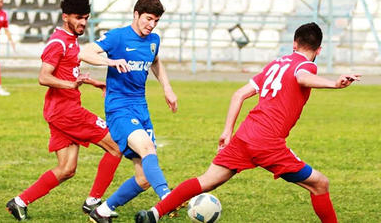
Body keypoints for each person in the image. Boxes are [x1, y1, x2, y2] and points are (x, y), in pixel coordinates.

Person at [135, 22, 361, 223]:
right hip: (267, 142)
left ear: (294, 43)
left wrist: (227, 131)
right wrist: (334, 83)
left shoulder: (276, 64)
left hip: (245, 135)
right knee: (320, 184)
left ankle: (154, 213)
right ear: (319, 49)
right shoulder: (307, 65)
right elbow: (302, 76)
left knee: (207, 180)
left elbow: (239, 94)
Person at [6, 0, 122, 221]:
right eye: (78, 17)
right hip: (67, 112)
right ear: (65, 17)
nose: (83, 22)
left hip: (57, 111)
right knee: (116, 146)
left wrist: (91, 82)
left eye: (86, 17)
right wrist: (71, 85)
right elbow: (44, 77)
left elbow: (71, 72)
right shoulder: (58, 42)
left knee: (67, 169)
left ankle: (18, 202)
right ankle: (94, 203)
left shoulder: (72, 40)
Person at [79, 0, 178, 223]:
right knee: (147, 149)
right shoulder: (118, 37)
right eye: (147, 19)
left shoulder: (154, 40)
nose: (151, 25)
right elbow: (85, 53)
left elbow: (155, 61)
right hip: (118, 109)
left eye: (156, 21)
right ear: (136, 15)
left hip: (141, 108)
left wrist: (167, 88)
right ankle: (167, 197)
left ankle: (102, 211)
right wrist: (111, 61)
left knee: (143, 178)